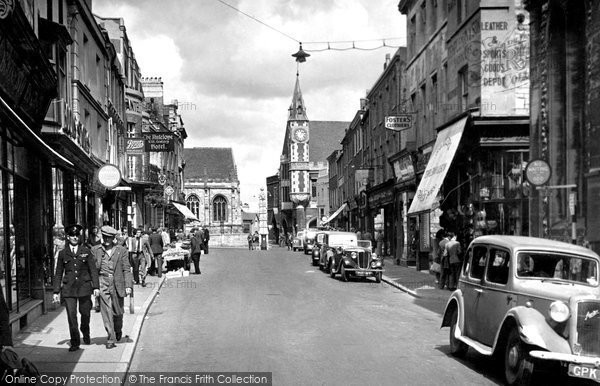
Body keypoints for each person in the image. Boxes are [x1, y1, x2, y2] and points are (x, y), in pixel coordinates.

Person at [53, 224, 99, 352]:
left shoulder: (86, 251)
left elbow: (93, 270)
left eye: (77, 235)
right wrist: (56, 291)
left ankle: (85, 330)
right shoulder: (63, 253)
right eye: (72, 235)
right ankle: (75, 341)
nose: (74, 237)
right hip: (69, 289)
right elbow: (58, 273)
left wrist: (96, 287)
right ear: (68, 237)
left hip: (84, 288)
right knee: (71, 316)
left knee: (85, 313)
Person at [90, 226, 133, 349]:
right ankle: (110, 338)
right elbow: (93, 269)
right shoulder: (95, 250)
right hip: (102, 281)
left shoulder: (121, 250)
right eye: (105, 237)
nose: (107, 239)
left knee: (118, 312)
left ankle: (118, 329)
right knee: (106, 311)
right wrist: (95, 286)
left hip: (117, 283)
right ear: (102, 237)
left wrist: (128, 285)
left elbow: (126, 269)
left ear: (114, 238)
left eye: (109, 237)